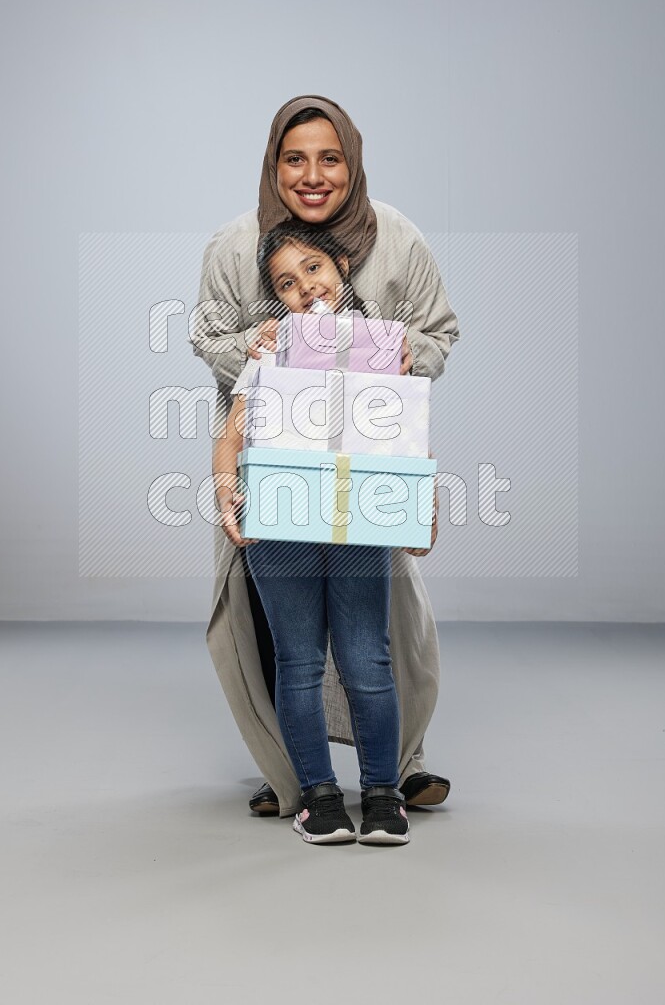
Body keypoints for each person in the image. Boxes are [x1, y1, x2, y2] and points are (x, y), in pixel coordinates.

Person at [190, 95, 459, 820]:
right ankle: (297, 780)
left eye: (330, 157)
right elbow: (210, 339)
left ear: (353, 163)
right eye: (294, 158)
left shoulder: (394, 237)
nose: (312, 175)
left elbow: (438, 333)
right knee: (280, 635)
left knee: (381, 634)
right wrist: (251, 350)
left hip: (367, 476)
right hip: (273, 478)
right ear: (274, 163)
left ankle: (399, 772)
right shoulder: (233, 243)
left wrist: (405, 352)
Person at [214, 220, 434, 843]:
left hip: (358, 516)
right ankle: (317, 794)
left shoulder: (385, 345)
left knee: (368, 656)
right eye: (286, 282)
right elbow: (233, 432)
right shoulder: (270, 346)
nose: (304, 287)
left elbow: (405, 433)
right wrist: (228, 492)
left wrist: (424, 505)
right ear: (275, 297)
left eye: (313, 268)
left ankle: (383, 793)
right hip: (281, 516)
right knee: (300, 659)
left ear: (340, 267)